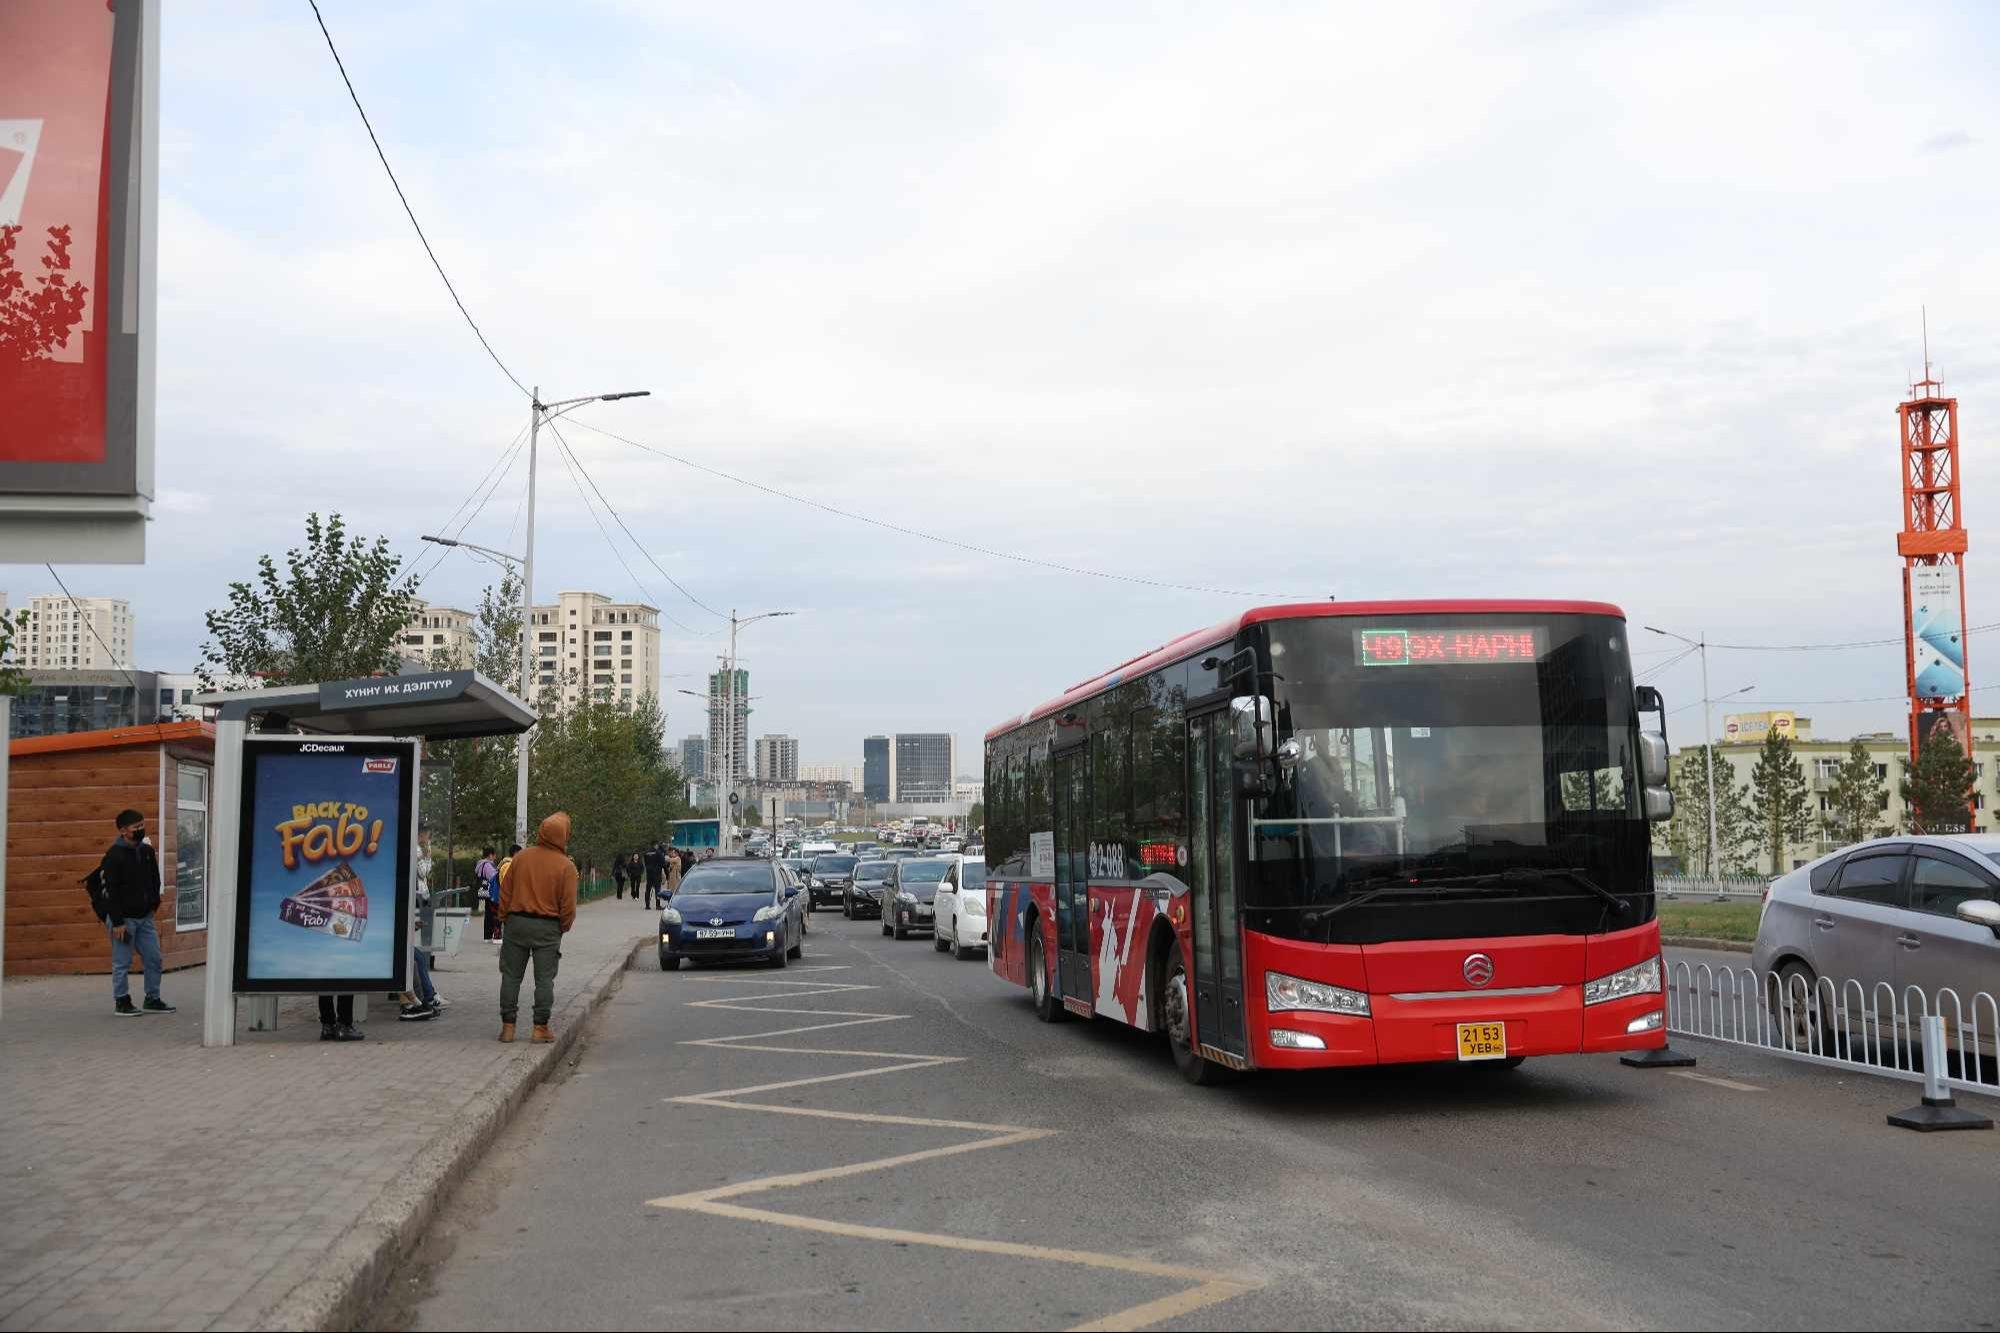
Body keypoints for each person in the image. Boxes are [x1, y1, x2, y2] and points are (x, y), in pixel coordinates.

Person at [497, 813, 579, 1044]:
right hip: (548, 927)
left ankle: (508, 1027)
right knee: (544, 979)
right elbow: (568, 905)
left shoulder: (521, 858)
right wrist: (562, 927)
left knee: (511, 976)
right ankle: (540, 1028)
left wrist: (505, 918)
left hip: (516, 923)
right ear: (564, 835)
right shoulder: (566, 867)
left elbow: (506, 892)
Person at [101, 808, 174, 1017]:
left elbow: (155, 880)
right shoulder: (113, 856)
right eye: (136, 827)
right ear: (124, 831)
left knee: (154, 958)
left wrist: (153, 905)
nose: (141, 829)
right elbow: (110, 892)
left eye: (142, 825)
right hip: (123, 920)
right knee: (122, 961)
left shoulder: (147, 852)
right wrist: (117, 922)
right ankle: (122, 1001)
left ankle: (152, 998)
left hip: (145, 918)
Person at [476, 847, 501, 941]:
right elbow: (493, 877)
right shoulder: (487, 865)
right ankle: (490, 935)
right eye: (494, 855)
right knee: (491, 913)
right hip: (490, 892)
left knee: (487, 913)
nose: (495, 857)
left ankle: (487, 936)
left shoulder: (480, 864)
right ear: (490, 855)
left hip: (483, 891)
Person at [643, 842, 667, 910]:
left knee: (648, 889)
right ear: (656, 845)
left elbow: (645, 863)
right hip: (657, 874)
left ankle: (647, 905)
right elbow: (663, 864)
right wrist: (667, 874)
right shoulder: (658, 853)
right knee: (657, 890)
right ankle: (657, 905)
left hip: (649, 873)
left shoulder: (646, 853)